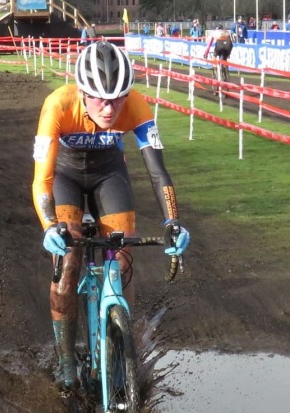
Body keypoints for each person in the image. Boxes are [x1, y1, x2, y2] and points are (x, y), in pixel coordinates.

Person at [32, 41, 190, 389]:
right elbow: (41, 178)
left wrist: (172, 221)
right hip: (64, 176)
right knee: (68, 263)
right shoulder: (57, 105)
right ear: (82, 91)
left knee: (122, 260)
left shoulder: (136, 105)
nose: (109, 107)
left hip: (108, 173)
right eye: (101, 98)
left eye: (118, 98)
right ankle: (66, 360)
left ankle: (121, 343)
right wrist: (49, 226)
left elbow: (158, 172)